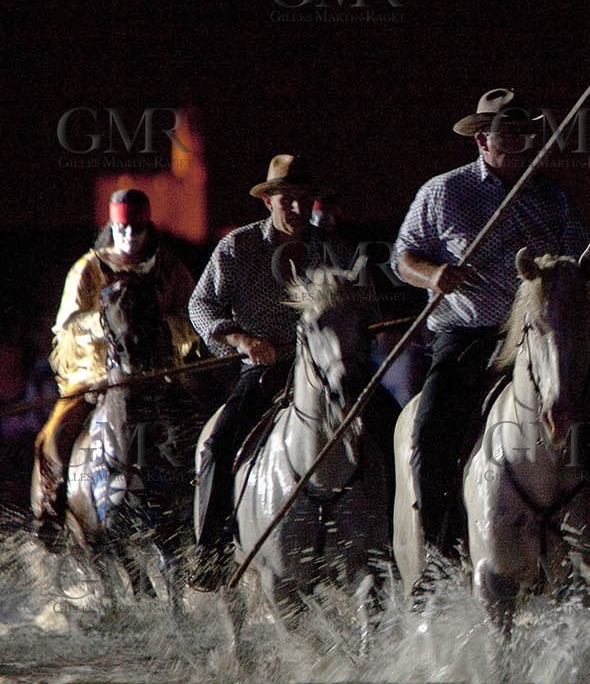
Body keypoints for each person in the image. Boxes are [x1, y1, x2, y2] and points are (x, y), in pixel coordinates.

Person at [394, 88, 590, 561]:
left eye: (524, 131)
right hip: (469, 335)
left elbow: (581, 252)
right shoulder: (443, 191)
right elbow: (402, 257)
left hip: (538, 337)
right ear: (482, 139)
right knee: (430, 433)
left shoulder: (550, 196)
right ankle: (440, 552)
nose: (519, 139)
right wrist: (433, 274)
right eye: (508, 131)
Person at [189, 156, 356, 580]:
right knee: (219, 444)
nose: (297, 209)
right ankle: (211, 552)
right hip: (267, 371)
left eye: (304, 199)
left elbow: (363, 305)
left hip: (330, 371)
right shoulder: (237, 247)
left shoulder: (333, 249)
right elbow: (201, 305)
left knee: (389, 425)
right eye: (287, 200)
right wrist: (241, 340)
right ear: (268, 202)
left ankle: (392, 544)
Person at [32, 189, 199, 544]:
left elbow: (191, 318)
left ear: (147, 227)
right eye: (122, 229)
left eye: (136, 229)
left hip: (159, 372)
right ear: (112, 227)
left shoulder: (170, 268)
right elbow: (67, 324)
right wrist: (109, 323)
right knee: (54, 438)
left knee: (202, 419)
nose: (129, 236)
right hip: (96, 375)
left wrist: (155, 326)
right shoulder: (88, 268)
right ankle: (50, 510)